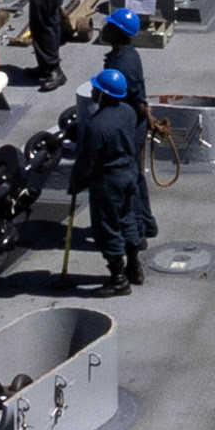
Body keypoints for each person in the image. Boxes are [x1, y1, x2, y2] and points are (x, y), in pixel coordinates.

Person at [65, 61, 158, 283]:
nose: (93, 92)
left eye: (96, 89)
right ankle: (134, 267)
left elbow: (87, 160)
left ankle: (118, 279)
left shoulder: (96, 126)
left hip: (108, 182)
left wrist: (76, 181)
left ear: (103, 94)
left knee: (107, 228)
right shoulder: (128, 112)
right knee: (127, 220)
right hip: (129, 175)